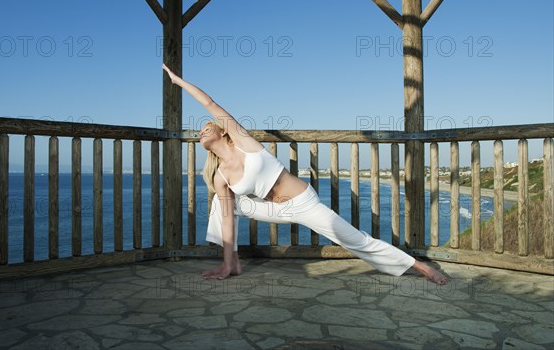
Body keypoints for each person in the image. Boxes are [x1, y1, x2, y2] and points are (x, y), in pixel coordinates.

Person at [162, 64, 448, 285]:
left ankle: (419, 266)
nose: (202, 130)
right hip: (273, 209)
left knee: (354, 239)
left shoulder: (242, 141)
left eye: (207, 127)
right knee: (221, 205)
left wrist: (179, 82)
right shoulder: (220, 176)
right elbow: (227, 219)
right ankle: (231, 263)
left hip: (302, 203)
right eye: (200, 132)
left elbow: (210, 103)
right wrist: (227, 259)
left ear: (223, 130)